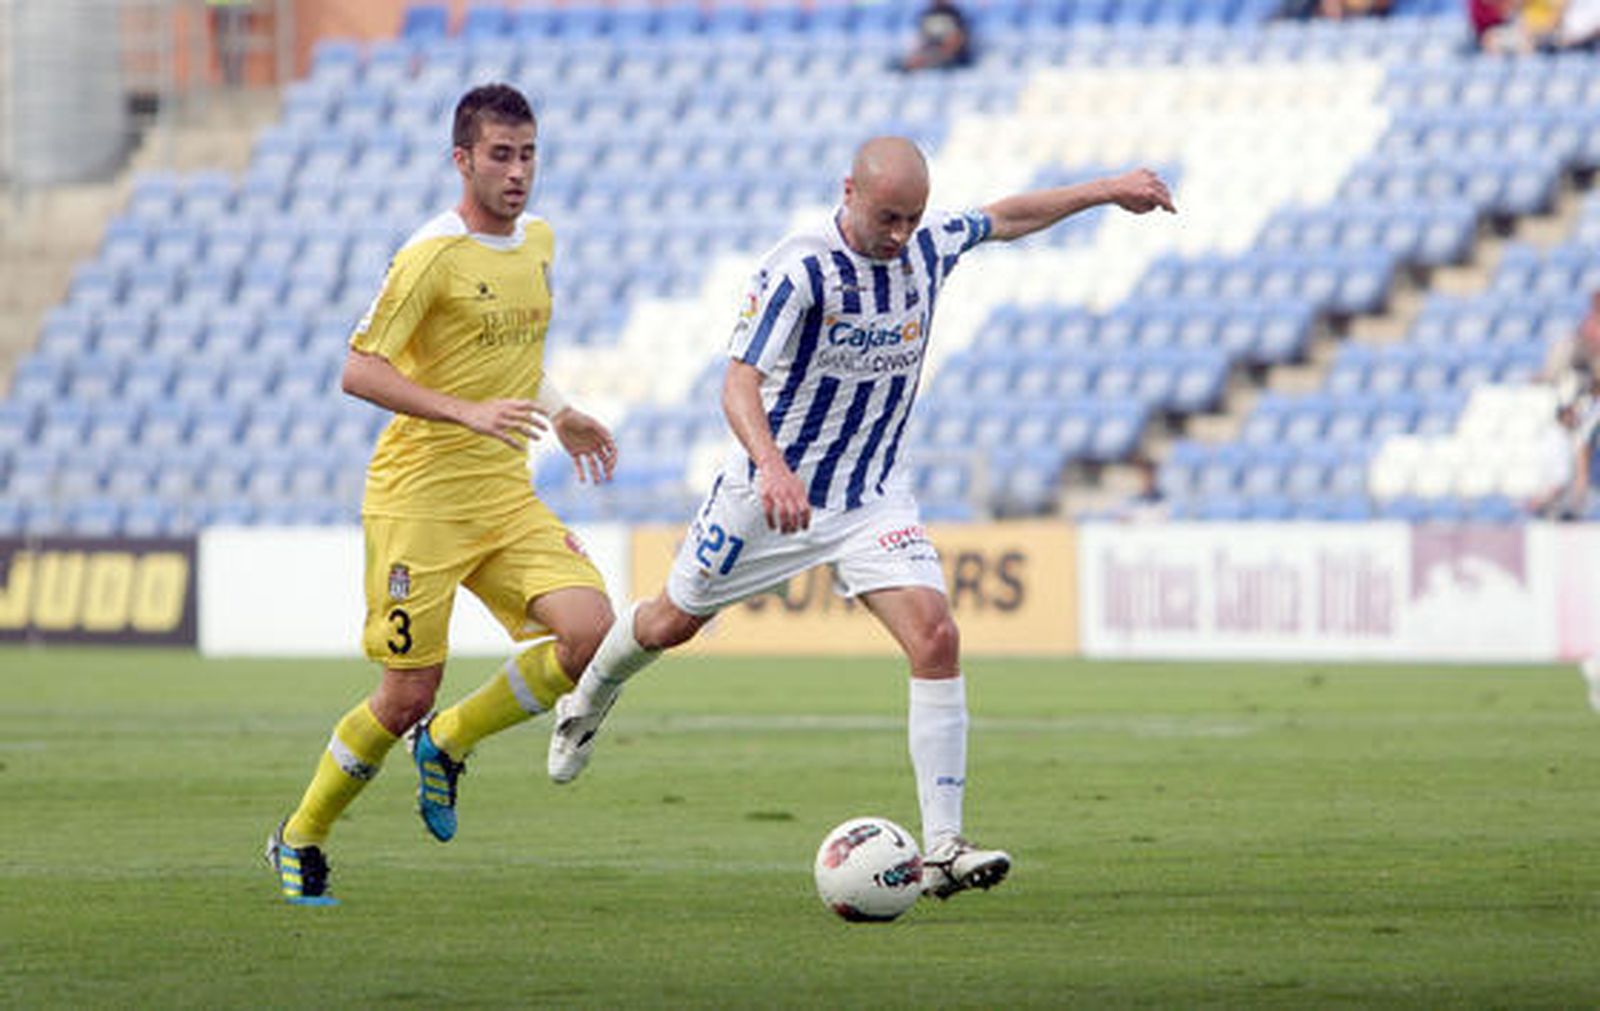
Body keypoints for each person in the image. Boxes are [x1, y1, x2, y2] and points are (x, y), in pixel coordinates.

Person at [546, 137, 1174, 902]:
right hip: (766, 494)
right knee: (671, 623)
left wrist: (1109, 188)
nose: (901, 234)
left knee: (936, 635)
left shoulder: (927, 247)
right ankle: (588, 699)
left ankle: (943, 844)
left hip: (872, 496)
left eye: (912, 217)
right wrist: (773, 466)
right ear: (848, 190)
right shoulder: (798, 268)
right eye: (888, 217)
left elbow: (1006, 216)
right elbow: (738, 383)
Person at [265, 83, 619, 905]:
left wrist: (560, 414)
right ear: (462, 159)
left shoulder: (538, 242)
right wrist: (465, 412)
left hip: (503, 492)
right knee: (403, 694)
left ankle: (452, 741)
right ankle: (302, 832)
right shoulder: (429, 253)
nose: (518, 172)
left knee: (592, 633)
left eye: (528, 154)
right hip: (418, 500)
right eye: (500, 155)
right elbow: (359, 369)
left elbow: (507, 352)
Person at [897, 0, 974, 72]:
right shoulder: (927, 14)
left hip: (953, 58)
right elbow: (922, 40)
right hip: (931, 54)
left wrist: (940, 53)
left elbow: (958, 40)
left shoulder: (955, 14)